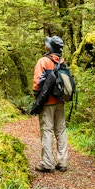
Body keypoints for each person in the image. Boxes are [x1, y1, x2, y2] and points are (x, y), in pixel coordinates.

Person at [32, 35, 68, 173]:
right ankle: (62, 162)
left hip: (47, 103)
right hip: (60, 101)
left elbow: (36, 83)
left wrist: (38, 98)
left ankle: (47, 163)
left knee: (47, 131)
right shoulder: (62, 62)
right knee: (61, 131)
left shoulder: (43, 61)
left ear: (50, 47)